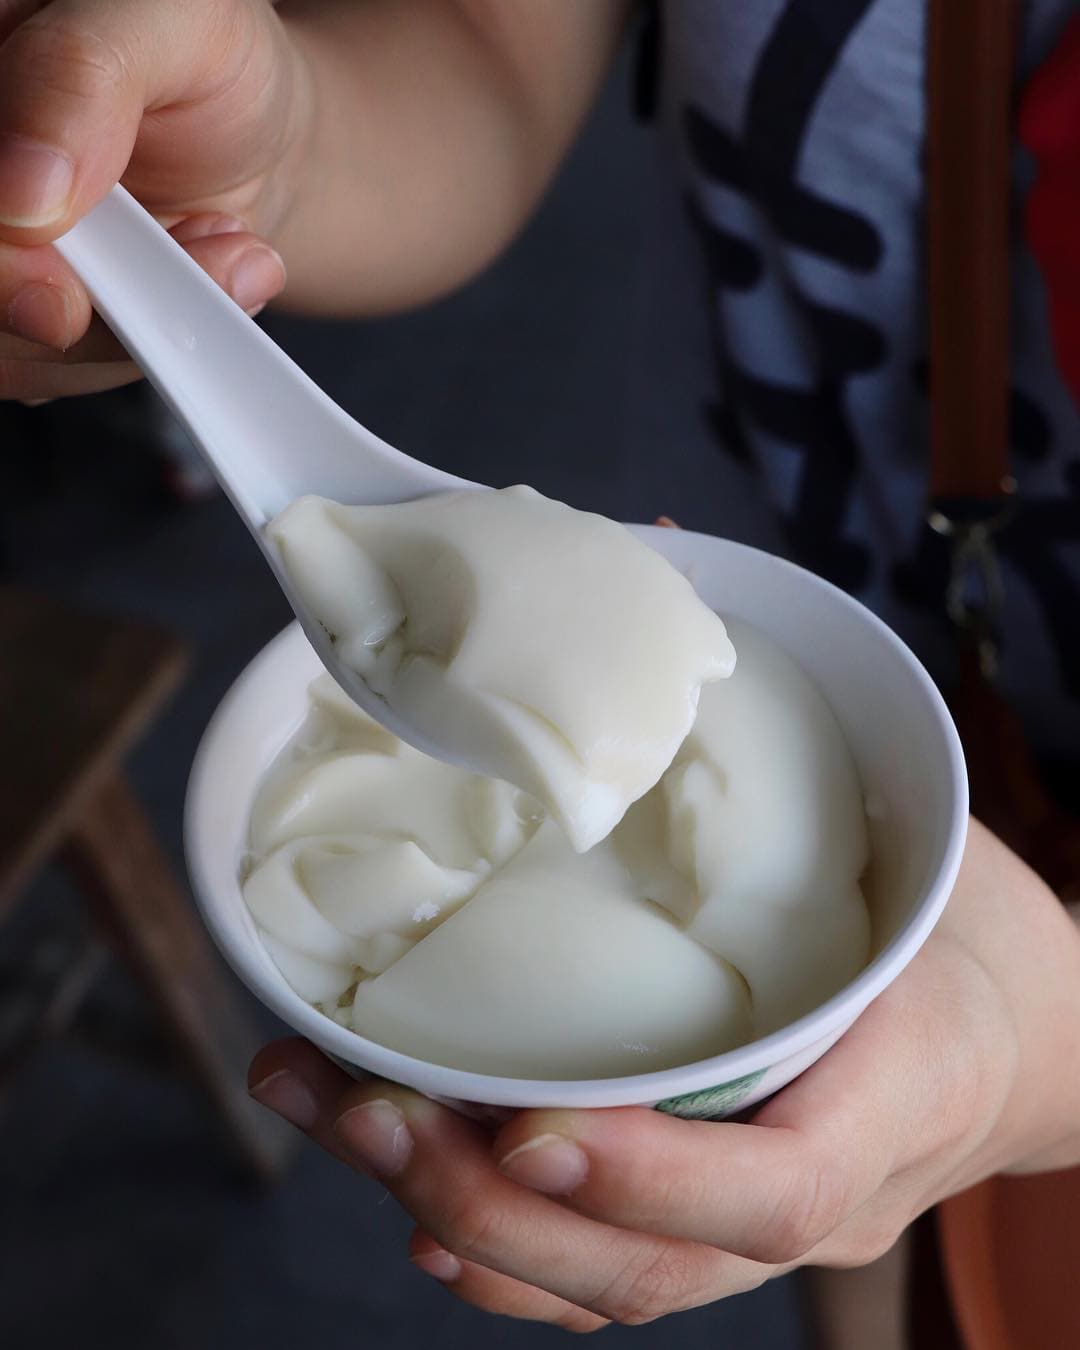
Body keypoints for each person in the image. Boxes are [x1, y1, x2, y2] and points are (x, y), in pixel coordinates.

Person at [2, 1, 1079, 1337]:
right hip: (785, 570)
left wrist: (1047, 1059)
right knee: (849, 1220)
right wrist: (287, 145)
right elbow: (494, 48)